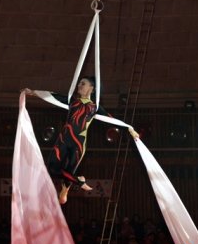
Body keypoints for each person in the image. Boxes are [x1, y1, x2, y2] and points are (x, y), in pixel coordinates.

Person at [23, 76, 139, 204]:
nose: (79, 86)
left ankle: (66, 188)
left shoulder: (95, 107)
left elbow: (110, 120)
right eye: (79, 84)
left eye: (82, 84)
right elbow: (53, 95)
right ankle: (79, 181)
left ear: (92, 88)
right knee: (52, 169)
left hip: (78, 144)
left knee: (68, 171)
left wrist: (129, 128)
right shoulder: (72, 101)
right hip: (63, 140)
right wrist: (33, 92)